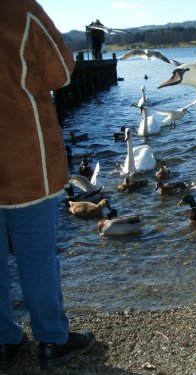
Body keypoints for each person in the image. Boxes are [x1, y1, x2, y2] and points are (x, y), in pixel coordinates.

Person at [0, 1, 95, 371]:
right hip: (23, 158)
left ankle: (5, 341)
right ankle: (53, 340)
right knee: (36, 255)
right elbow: (61, 71)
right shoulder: (19, 8)